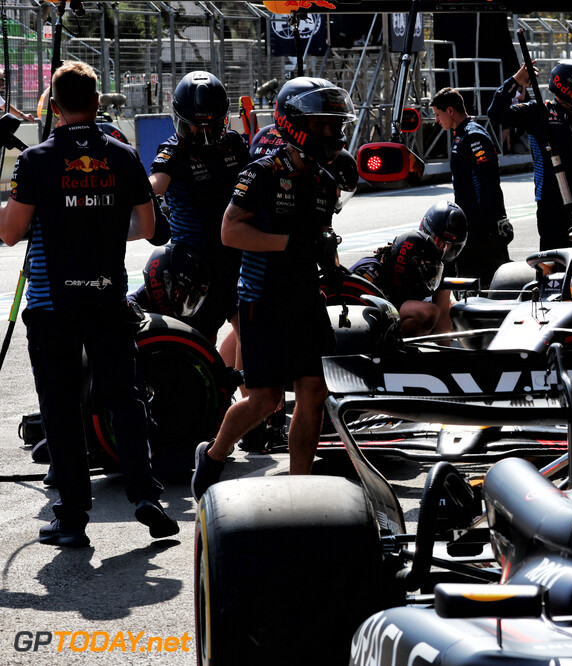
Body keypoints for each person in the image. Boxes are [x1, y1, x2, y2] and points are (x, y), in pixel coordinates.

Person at [0, 61, 177, 547]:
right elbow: (150, 228)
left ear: (53, 107)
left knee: (60, 408)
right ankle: (145, 495)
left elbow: (10, 233)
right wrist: (101, 222)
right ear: (99, 103)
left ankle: (73, 518)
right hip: (106, 296)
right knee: (124, 398)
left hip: (53, 304)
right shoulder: (122, 156)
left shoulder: (35, 161)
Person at [192, 77, 354, 501]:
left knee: (314, 392)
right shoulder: (261, 173)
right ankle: (213, 456)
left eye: (336, 125)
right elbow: (230, 232)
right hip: (263, 300)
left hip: (305, 299)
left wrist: (333, 266)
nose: (333, 134)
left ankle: (300, 488)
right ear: (296, 124)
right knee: (264, 401)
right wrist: (289, 243)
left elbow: (322, 233)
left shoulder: (325, 181)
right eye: (324, 125)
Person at [146, 71, 249, 368]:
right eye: (193, 128)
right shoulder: (172, 151)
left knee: (252, 335)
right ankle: (211, 406)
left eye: (210, 128)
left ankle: (253, 407)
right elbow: (154, 185)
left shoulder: (234, 144)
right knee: (202, 345)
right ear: (179, 120)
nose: (201, 136)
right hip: (195, 270)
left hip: (237, 259)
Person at [488, 60, 572, 250]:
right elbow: (496, 113)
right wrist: (516, 81)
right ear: (568, 88)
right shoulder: (539, 112)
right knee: (551, 263)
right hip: (551, 204)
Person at [431, 87, 511, 287]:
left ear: (450, 111)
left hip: (482, 227)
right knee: (468, 277)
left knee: (489, 281)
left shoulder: (474, 137)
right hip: (470, 223)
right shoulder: (460, 133)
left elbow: (487, 183)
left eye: (438, 114)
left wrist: (485, 222)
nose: (436, 120)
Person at [349, 228, 450, 337]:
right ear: (411, 264)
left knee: (449, 309)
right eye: (427, 267)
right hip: (357, 330)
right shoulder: (371, 270)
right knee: (427, 311)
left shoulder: (406, 283)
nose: (430, 274)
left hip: (384, 322)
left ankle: (402, 346)